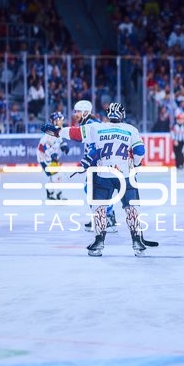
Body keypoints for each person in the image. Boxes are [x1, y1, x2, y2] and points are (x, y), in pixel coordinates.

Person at [46, 102, 147, 256]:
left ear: (108, 115)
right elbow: (139, 151)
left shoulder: (98, 127)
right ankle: (137, 242)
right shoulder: (131, 130)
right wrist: (137, 164)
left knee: (99, 208)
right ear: (123, 115)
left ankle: (99, 242)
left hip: (103, 173)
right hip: (125, 174)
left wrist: (59, 132)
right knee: (131, 208)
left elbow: (76, 133)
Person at [74, 100, 117, 233]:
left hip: (99, 163)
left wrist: (88, 159)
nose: (76, 114)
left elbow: (96, 145)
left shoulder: (91, 125)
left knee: (94, 190)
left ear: (86, 112)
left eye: (78, 112)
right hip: (97, 163)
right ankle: (101, 216)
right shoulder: (89, 123)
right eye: (76, 111)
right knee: (92, 190)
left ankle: (108, 218)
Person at [37, 111, 66, 200]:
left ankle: (52, 193)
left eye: (61, 119)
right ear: (54, 121)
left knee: (58, 175)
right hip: (44, 158)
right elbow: (42, 146)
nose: (61, 121)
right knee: (56, 175)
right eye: (59, 119)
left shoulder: (59, 131)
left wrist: (65, 146)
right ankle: (54, 193)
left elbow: (60, 141)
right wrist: (51, 154)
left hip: (51, 158)